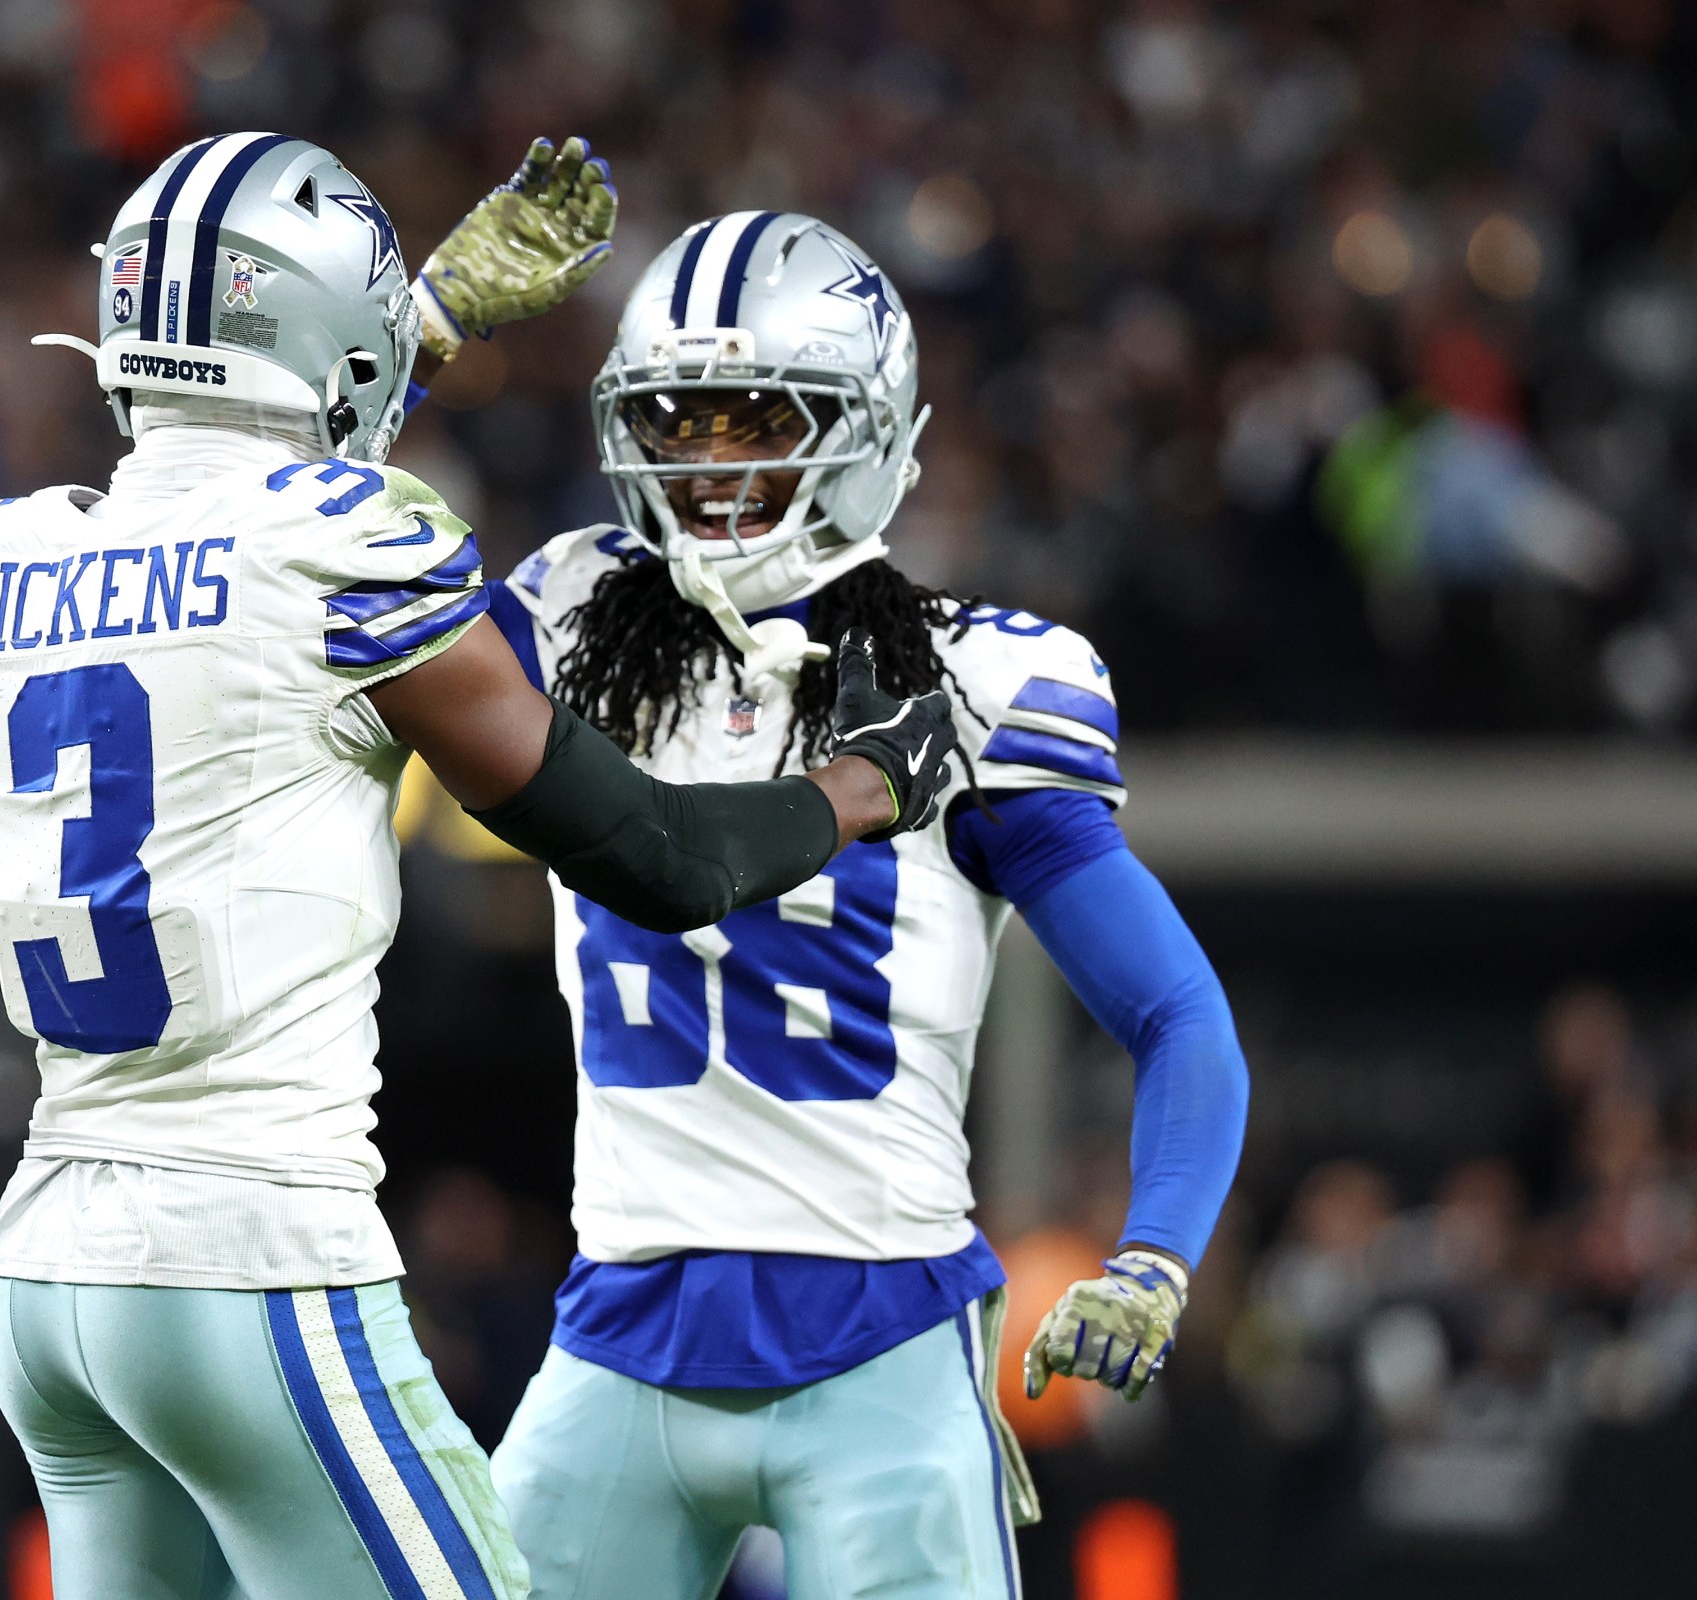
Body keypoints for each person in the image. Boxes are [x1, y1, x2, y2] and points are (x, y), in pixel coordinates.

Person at [0, 139, 960, 1600]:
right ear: (327, 330)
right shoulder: (345, 551)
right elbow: (660, 856)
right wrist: (862, 782)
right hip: (252, 1261)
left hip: (48, 1296)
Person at [479, 213, 1252, 1600]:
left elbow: (1178, 1012)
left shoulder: (975, 681)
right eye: (679, 420)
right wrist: (407, 350)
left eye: (758, 415)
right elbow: (339, 600)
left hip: (878, 1341)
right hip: (617, 1332)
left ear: (872, 424)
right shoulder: (567, 613)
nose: (716, 462)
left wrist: (1156, 1253)